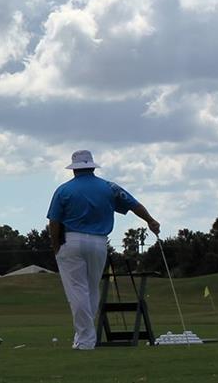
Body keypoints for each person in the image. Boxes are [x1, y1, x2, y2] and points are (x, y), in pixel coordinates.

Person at [47, 150, 160, 351]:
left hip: (71, 240)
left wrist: (55, 245)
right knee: (91, 289)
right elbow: (133, 205)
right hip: (99, 242)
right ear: (92, 166)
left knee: (77, 290)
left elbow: (54, 222)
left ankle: (85, 340)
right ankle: (84, 336)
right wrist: (150, 220)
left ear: (74, 169)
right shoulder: (109, 187)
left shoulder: (64, 190)